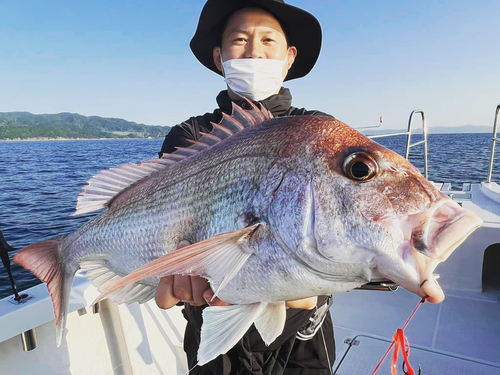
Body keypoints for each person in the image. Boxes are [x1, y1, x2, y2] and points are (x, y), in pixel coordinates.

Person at [157, 1, 335, 374]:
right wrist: (172, 272)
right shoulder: (190, 136)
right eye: (240, 40)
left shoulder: (319, 130)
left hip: (301, 335)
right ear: (220, 58)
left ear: (289, 57)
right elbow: (172, 226)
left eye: (268, 39)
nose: (254, 50)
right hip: (212, 323)